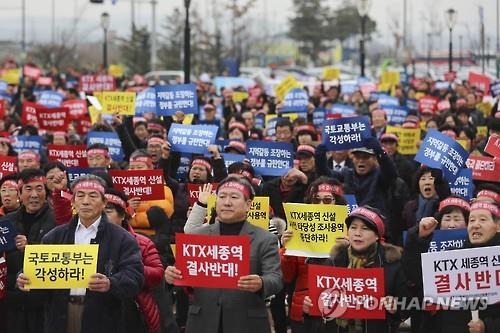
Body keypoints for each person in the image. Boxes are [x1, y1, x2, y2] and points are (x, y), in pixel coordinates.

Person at [16, 174, 144, 333]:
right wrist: (23, 277)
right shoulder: (55, 236)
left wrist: (111, 283)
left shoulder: (122, 238)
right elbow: (38, 269)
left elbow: (135, 277)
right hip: (61, 313)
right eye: (80, 195)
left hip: (103, 315)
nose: (85, 201)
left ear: (104, 202)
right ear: (73, 201)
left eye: (93, 196)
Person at [165, 176, 283, 333]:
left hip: (246, 323)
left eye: (234, 197)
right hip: (203, 322)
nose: (227, 202)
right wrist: (171, 276)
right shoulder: (198, 236)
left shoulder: (265, 238)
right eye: (222, 196)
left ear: (248, 205)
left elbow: (276, 278)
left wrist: (261, 283)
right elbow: (183, 272)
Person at [302, 206, 410, 333]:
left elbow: (407, 306)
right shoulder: (334, 262)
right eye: (353, 227)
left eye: (364, 228)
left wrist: (395, 307)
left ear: (377, 236)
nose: (357, 233)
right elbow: (321, 309)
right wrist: (309, 309)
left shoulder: (392, 265)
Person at [280, 177, 347, 333]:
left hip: (339, 309)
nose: (321, 205)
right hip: (304, 309)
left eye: (327, 200)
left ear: (337, 203)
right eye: (316, 200)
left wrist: (349, 250)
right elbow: (287, 277)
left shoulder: (352, 233)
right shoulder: (297, 233)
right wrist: (286, 250)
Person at [1, 169, 56, 333]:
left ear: (46, 193)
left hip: (45, 303)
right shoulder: (6, 222)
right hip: (13, 303)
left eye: (39, 189)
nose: (34, 194)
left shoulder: (57, 221)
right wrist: (13, 282)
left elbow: (61, 255)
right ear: (19, 193)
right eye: (28, 189)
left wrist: (30, 248)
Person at [104, 188, 165, 333]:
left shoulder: (142, 243)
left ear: (122, 215)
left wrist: (130, 270)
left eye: (108, 211)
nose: (102, 216)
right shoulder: (84, 241)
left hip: (132, 308)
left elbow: (157, 274)